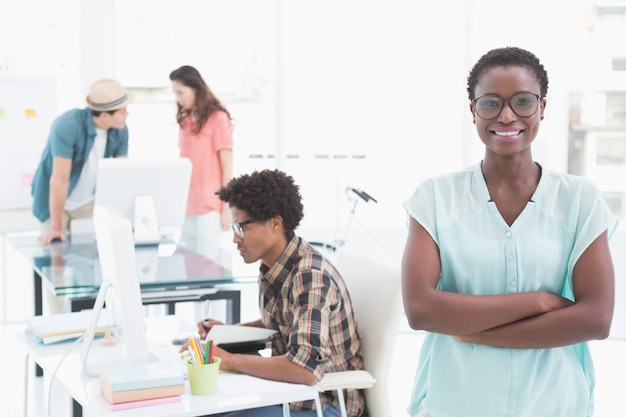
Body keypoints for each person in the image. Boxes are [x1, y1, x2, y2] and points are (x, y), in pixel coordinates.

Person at [401, 46, 618, 417]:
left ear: (542, 108)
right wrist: (539, 302)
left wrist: (473, 331)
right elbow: (421, 310)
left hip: (553, 404)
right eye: (490, 103)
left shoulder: (579, 200)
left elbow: (596, 319)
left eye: (522, 101)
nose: (506, 115)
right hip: (456, 403)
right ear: (473, 111)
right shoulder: (435, 197)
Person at [191, 169, 365, 417]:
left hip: (324, 404)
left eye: (241, 228)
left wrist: (228, 360)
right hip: (288, 394)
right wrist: (227, 333)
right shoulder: (274, 267)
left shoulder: (310, 276)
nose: (234, 239)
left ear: (275, 223)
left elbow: (305, 368)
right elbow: (285, 322)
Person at [31, 78, 133, 244]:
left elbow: (122, 175)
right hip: (55, 203)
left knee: (89, 255)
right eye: (123, 111)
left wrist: (128, 218)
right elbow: (60, 180)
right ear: (105, 115)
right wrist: (56, 229)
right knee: (54, 256)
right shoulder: (67, 125)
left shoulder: (120, 129)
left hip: (88, 203)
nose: (127, 115)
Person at [169, 65, 233, 256]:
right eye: (175, 93)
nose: (178, 98)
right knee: (185, 259)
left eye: (181, 92)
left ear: (195, 88)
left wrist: (226, 207)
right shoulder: (186, 120)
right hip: (187, 204)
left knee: (209, 260)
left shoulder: (218, 118)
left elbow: (227, 165)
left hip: (210, 204)